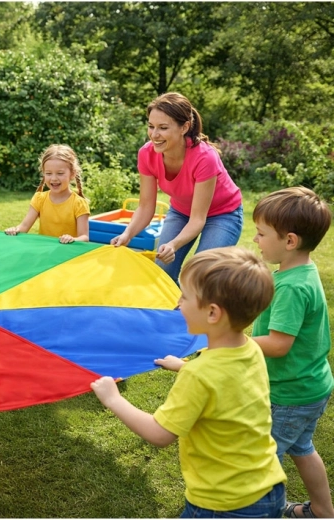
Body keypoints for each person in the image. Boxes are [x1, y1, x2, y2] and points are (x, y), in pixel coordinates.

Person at [92, 247, 287, 518]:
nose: (178, 302)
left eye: (184, 296)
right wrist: (184, 366)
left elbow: (160, 434)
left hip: (224, 503)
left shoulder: (199, 375)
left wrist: (113, 399)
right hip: (268, 487)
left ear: (212, 313)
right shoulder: (250, 349)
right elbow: (226, 383)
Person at [250, 187, 334, 519]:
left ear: (289, 241)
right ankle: (323, 511)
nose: (255, 239)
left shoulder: (292, 287)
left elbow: (278, 344)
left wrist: (233, 342)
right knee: (302, 448)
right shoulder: (300, 273)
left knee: (260, 461)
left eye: (261, 233)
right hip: (310, 387)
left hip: (290, 395)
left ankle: (259, 512)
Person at [110, 92, 243, 284]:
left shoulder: (205, 157)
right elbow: (146, 206)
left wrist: (174, 244)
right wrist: (127, 234)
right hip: (181, 212)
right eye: (151, 126)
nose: (154, 134)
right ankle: (179, 303)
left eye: (163, 128)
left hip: (223, 214)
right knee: (163, 271)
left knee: (202, 275)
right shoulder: (146, 154)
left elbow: (198, 219)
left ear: (185, 127)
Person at [4, 144, 89, 244]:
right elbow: (24, 227)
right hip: (45, 251)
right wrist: (15, 230)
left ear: (72, 173)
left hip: (68, 252)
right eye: (48, 173)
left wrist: (72, 239)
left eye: (60, 173)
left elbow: (84, 237)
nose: (54, 178)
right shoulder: (39, 199)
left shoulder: (79, 204)